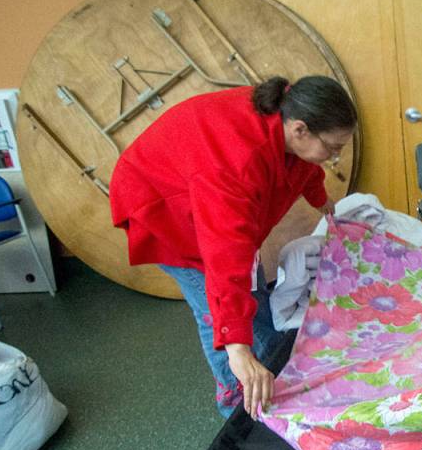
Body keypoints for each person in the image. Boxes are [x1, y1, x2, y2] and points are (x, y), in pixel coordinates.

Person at [110, 76, 358, 419]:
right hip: (164, 208)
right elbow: (225, 260)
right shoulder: (236, 165)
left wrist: (323, 203)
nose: (335, 156)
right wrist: (238, 349)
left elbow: (304, 167)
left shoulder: (288, 119)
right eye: (332, 148)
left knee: (251, 293)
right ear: (300, 130)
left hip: (203, 189)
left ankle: (271, 363)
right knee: (216, 311)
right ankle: (235, 402)